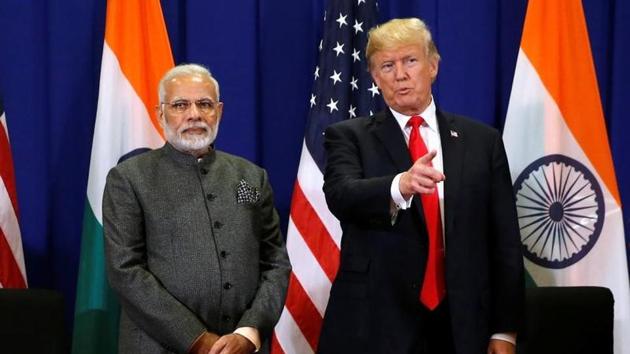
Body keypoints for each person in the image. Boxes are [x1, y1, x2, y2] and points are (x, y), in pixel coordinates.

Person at [317, 18, 524, 354]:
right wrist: (401, 185)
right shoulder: (348, 136)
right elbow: (342, 195)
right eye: (387, 65)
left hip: (462, 324)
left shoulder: (481, 141)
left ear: (433, 66)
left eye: (410, 61)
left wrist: (505, 331)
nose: (400, 74)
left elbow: (505, 242)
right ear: (375, 78)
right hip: (375, 325)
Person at [103, 63, 291, 354]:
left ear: (219, 111)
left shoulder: (251, 176)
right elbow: (125, 270)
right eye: (180, 105)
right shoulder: (129, 178)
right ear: (160, 113)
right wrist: (197, 339)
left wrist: (248, 332)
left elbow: (275, 263)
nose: (194, 114)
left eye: (204, 104)